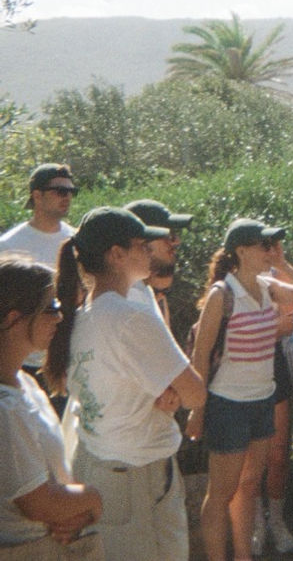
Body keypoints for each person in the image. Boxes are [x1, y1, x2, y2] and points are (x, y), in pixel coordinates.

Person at [45, 206, 206, 561]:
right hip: (133, 477)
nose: (150, 249)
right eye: (141, 243)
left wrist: (159, 395)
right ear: (116, 254)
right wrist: (171, 394)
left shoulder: (83, 315)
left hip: (105, 467)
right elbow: (195, 393)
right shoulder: (130, 317)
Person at [186, 217, 293, 561]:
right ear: (241, 251)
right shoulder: (222, 294)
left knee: (248, 486)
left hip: (262, 402)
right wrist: (198, 411)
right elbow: (200, 357)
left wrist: (283, 263)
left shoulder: (267, 286)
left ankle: (244, 556)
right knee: (221, 493)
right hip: (228, 405)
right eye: (264, 246)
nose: (269, 251)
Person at [0, 253, 103, 556]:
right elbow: (38, 503)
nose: (59, 316)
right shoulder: (5, 410)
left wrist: (77, 514)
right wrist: (94, 499)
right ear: (13, 319)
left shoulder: (25, 385)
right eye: (51, 307)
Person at [0, 163, 77, 393]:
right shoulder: (9, 246)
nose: (67, 197)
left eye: (71, 192)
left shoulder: (76, 242)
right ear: (37, 195)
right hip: (22, 365)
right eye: (60, 191)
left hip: (66, 360)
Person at [251, 305, 293, 555]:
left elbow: (288, 324)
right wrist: (270, 328)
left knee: (278, 456)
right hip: (240, 373)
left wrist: (250, 330)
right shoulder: (228, 275)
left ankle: (277, 522)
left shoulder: (275, 276)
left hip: (274, 368)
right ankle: (256, 524)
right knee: (250, 459)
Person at [125, 199, 193, 327]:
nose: (176, 241)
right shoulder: (131, 301)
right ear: (141, 242)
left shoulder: (145, 292)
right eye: (167, 234)